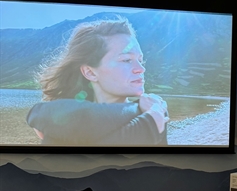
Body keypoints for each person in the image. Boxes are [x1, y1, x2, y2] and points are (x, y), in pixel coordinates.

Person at [27, 17, 169, 146]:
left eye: (140, 60)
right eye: (126, 60)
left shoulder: (153, 110)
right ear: (90, 72)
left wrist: (40, 116)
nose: (141, 69)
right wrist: (149, 121)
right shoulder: (153, 112)